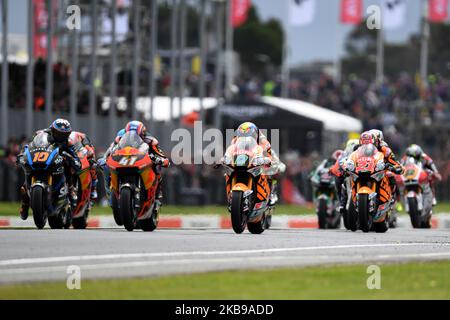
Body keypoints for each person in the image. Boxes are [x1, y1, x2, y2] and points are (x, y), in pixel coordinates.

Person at [18, 119, 81, 220]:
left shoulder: (68, 142)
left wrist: (71, 159)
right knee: (28, 170)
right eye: (58, 133)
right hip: (43, 158)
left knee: (69, 166)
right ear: (52, 130)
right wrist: (22, 154)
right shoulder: (41, 134)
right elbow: (29, 146)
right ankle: (25, 202)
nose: (60, 137)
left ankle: (71, 189)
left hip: (57, 161)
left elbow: (77, 161)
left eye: (64, 134)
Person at [232, 122, 286, 206]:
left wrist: (271, 161)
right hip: (245, 161)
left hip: (260, 159)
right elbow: (230, 152)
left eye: (249, 136)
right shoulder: (235, 140)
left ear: (255, 135)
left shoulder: (263, 140)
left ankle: (272, 192)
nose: (246, 139)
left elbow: (270, 155)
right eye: (242, 136)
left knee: (275, 169)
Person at [123, 121, 170, 201]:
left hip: (145, 162)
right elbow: (115, 150)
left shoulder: (151, 141)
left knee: (156, 168)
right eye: (130, 134)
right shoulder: (122, 140)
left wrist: (162, 160)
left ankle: (157, 192)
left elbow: (159, 153)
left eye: (136, 135)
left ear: (142, 133)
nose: (133, 137)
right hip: (127, 163)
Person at [330, 139, 359, 213]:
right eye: (350, 146)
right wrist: (335, 170)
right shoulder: (343, 154)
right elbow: (337, 165)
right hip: (347, 173)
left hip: (358, 174)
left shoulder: (362, 155)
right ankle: (341, 202)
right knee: (338, 180)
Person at [69, 131, 98, 200]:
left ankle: (93, 188)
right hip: (70, 154)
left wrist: (89, 152)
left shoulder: (82, 137)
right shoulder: (63, 138)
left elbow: (89, 149)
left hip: (81, 153)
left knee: (93, 164)